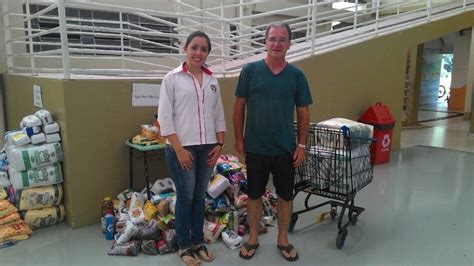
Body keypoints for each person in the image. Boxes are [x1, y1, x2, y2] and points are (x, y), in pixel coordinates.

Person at [233, 23, 312, 262]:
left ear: (289, 44)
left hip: (285, 150)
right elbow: (239, 108)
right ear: (265, 42)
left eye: (282, 39)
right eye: (272, 39)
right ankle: (253, 237)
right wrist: (238, 138)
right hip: (255, 148)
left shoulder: (297, 76)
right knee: (255, 195)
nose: (276, 44)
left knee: (286, 197)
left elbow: (303, 113)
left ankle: (283, 239)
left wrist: (301, 145)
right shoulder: (250, 71)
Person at [158, 31, 226, 266]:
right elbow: (164, 119)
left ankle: (198, 241)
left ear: (207, 53)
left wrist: (219, 144)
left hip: (207, 147)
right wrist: (178, 150)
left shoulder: (212, 81)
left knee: (199, 196)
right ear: (185, 48)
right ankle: (184, 245)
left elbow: (218, 115)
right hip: (182, 148)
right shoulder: (172, 79)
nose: (199, 53)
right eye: (194, 47)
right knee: (185, 197)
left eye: (204, 49)